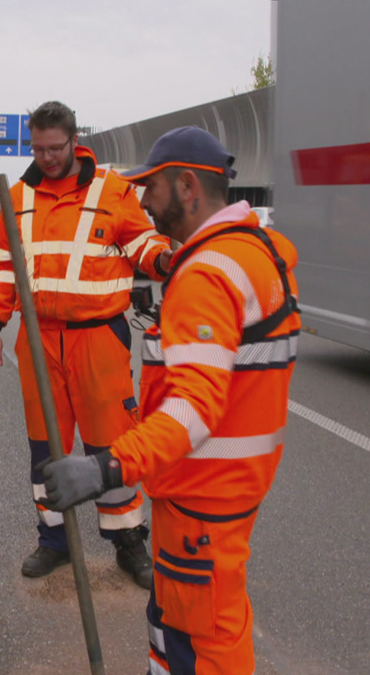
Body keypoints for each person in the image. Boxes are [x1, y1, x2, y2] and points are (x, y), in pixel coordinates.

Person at [37, 126, 301, 675]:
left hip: (200, 497)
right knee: (216, 626)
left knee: (193, 644)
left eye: (151, 188)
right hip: (230, 491)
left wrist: (106, 467)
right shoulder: (257, 253)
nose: (144, 201)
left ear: (186, 186)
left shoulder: (207, 272)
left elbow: (195, 407)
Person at [0, 101, 172, 585]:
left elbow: (143, 244)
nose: (46, 157)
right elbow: (4, 266)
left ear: (74, 140)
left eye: (55, 148)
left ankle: (128, 542)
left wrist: (166, 261)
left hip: (99, 339)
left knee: (111, 445)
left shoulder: (114, 191)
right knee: (45, 449)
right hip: (38, 341)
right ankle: (54, 541)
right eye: (38, 148)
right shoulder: (18, 196)